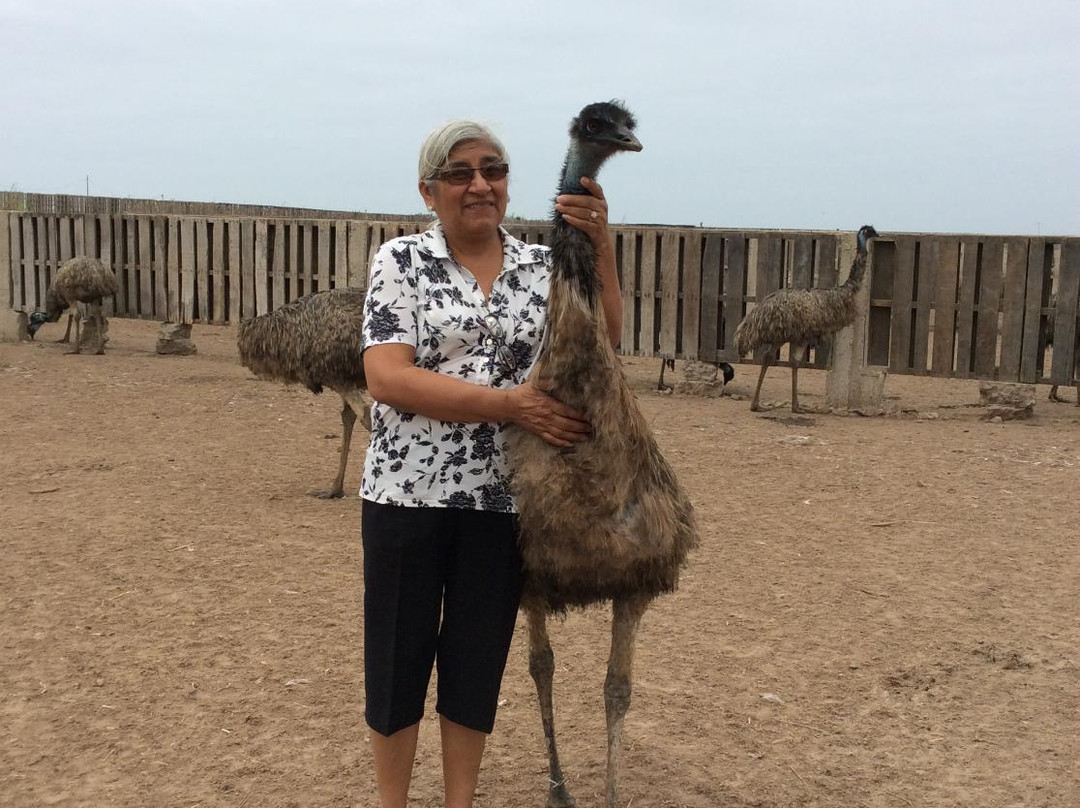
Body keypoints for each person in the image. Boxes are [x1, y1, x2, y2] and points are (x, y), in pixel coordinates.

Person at [359, 118, 623, 808]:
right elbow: (388, 377)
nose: (479, 184)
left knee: (475, 664)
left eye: (493, 170)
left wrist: (602, 249)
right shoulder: (401, 262)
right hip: (405, 494)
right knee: (398, 660)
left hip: (504, 499)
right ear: (429, 190)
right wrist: (510, 405)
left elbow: (602, 345)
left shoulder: (541, 266)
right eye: (459, 173)